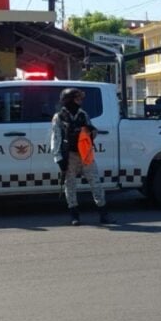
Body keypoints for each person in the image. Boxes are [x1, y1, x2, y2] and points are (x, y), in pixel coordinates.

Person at [51, 87, 113, 226]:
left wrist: (90, 131)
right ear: (69, 100)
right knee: (70, 185)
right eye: (77, 98)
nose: (80, 101)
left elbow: (92, 133)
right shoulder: (59, 117)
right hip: (70, 155)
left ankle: (104, 214)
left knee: (96, 183)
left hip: (85, 154)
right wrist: (59, 158)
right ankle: (75, 216)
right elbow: (56, 138)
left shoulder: (83, 114)